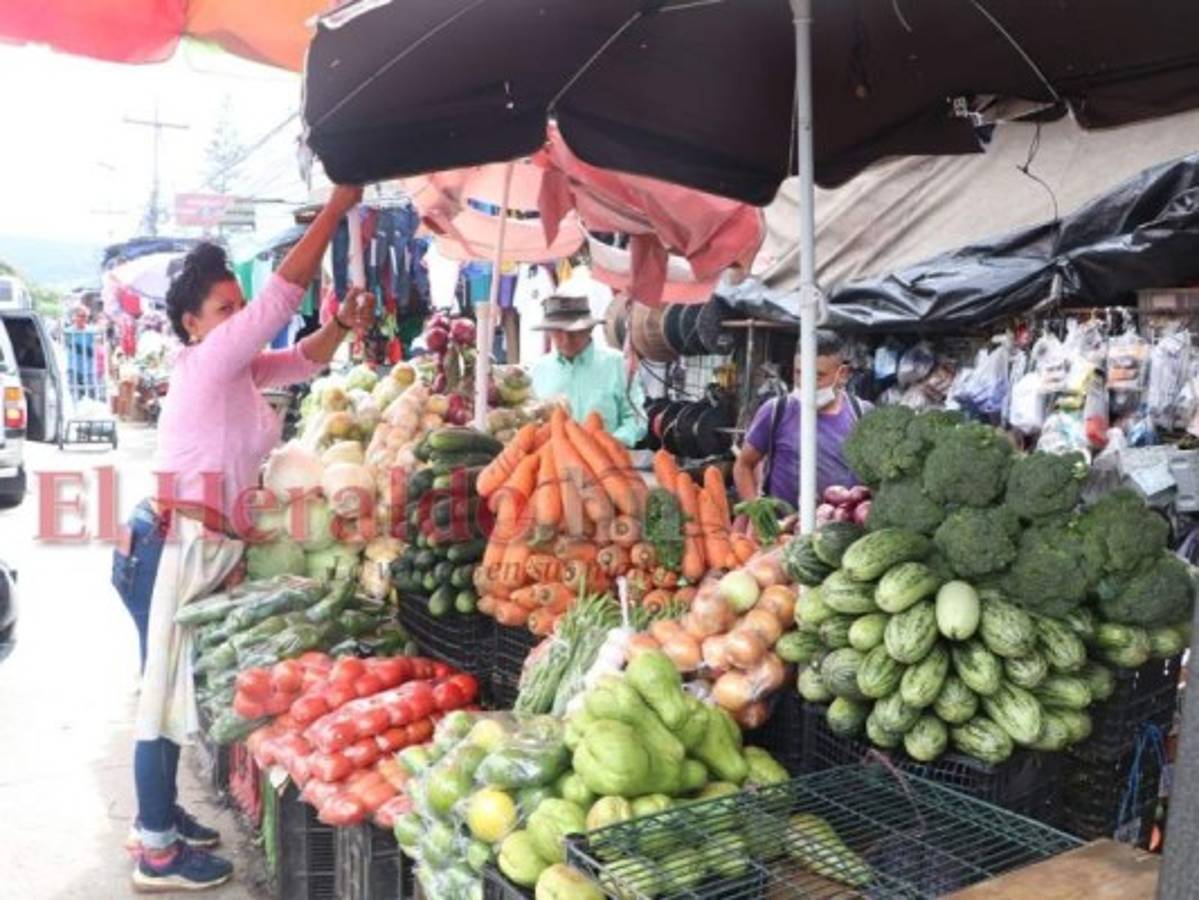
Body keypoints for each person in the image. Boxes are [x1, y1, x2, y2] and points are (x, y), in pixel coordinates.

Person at [111, 184, 373, 892]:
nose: (239, 321)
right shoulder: (211, 363)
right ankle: (156, 849)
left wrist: (342, 326)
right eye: (226, 311)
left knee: (176, 690)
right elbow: (281, 300)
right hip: (171, 546)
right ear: (194, 325)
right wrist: (336, 207)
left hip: (200, 548)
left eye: (237, 307)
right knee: (160, 697)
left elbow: (302, 360)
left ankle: (160, 816)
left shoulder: (234, 371)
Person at [733, 329, 869, 507]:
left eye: (817, 376)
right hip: (783, 530)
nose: (806, 383)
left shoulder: (862, 415)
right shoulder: (775, 411)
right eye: (799, 373)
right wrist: (757, 514)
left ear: (842, 374)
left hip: (843, 530)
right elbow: (743, 465)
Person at [529, 292, 646, 447]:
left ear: (589, 329)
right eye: (558, 332)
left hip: (605, 460)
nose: (566, 340)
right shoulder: (537, 370)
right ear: (548, 332)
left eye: (573, 332)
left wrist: (611, 442)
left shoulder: (616, 364)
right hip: (550, 461)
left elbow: (636, 418)